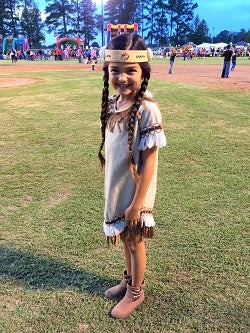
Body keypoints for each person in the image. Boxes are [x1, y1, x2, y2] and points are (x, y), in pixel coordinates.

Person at [98, 33, 166, 319]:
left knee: (135, 241)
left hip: (135, 192)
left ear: (143, 72)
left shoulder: (148, 109)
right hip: (118, 186)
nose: (122, 77)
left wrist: (137, 204)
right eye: (116, 70)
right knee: (126, 239)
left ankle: (136, 292)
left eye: (130, 71)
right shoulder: (115, 103)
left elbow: (149, 161)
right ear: (107, 71)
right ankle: (128, 280)